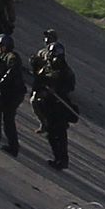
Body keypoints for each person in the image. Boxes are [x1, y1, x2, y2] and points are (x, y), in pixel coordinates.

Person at [35, 42, 78, 170]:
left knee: (60, 134)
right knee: (51, 134)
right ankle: (57, 158)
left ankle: (62, 160)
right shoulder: (47, 67)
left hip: (60, 105)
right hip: (47, 104)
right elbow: (39, 80)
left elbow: (70, 86)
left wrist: (58, 90)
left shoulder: (66, 71)